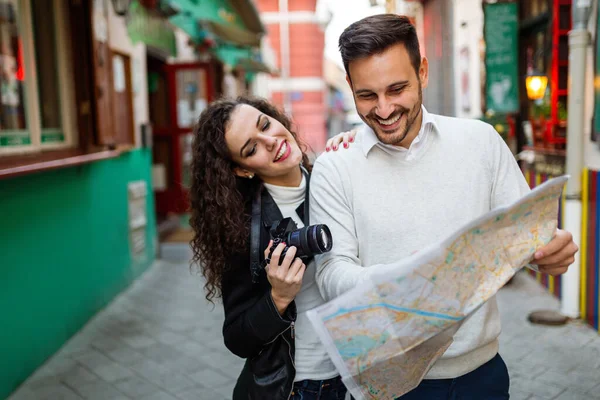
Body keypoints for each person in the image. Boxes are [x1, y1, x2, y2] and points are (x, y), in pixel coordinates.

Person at [309, 14, 579, 400]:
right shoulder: (335, 166)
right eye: (367, 95)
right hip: (387, 384)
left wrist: (549, 252)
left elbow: (525, 239)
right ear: (349, 85)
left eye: (397, 89)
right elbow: (331, 274)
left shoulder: (480, 142)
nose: (383, 110)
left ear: (423, 72)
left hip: (481, 375)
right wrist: (407, 278)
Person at [189, 96, 355, 400]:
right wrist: (277, 299)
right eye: (251, 148)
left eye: (265, 124)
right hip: (302, 385)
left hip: (361, 371)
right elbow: (237, 338)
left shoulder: (334, 179)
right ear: (242, 170)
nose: (271, 141)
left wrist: (352, 156)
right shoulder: (241, 232)